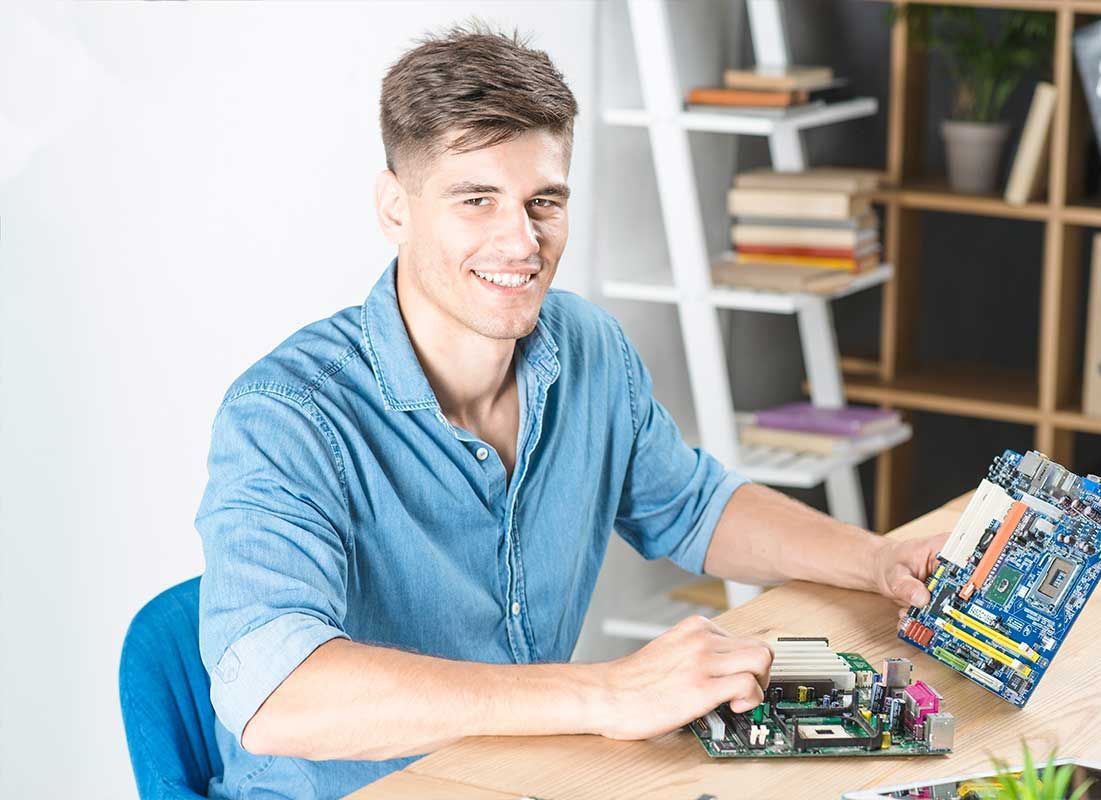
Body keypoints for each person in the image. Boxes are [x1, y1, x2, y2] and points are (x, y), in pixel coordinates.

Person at [195, 21, 947, 799]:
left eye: (543, 201)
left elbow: (692, 508)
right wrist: (608, 694)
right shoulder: (285, 415)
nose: (520, 241)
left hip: (528, 779)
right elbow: (276, 695)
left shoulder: (587, 347)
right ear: (395, 206)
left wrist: (873, 560)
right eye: (476, 199)